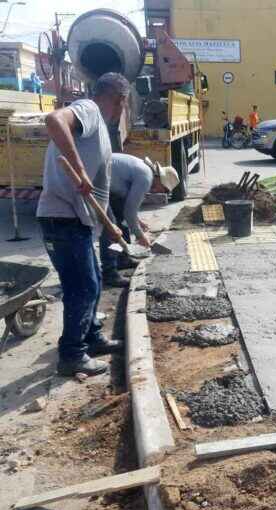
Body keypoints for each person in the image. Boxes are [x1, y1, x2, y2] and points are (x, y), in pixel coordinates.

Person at [37, 72, 130, 378]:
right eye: (123, 103)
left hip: (78, 220)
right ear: (119, 99)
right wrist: (79, 170)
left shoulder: (100, 127)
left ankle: (91, 338)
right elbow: (54, 120)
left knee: (93, 280)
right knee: (83, 286)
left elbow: (101, 189)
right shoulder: (89, 109)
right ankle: (72, 355)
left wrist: (111, 224)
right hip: (62, 217)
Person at [100, 154, 180, 287]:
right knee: (111, 228)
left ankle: (122, 259)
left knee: (122, 222)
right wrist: (140, 235)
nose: (162, 192)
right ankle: (109, 273)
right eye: (165, 189)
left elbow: (128, 209)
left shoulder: (145, 171)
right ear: (160, 180)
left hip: (106, 184)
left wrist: (137, 222)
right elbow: (129, 211)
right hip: (96, 183)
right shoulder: (145, 178)